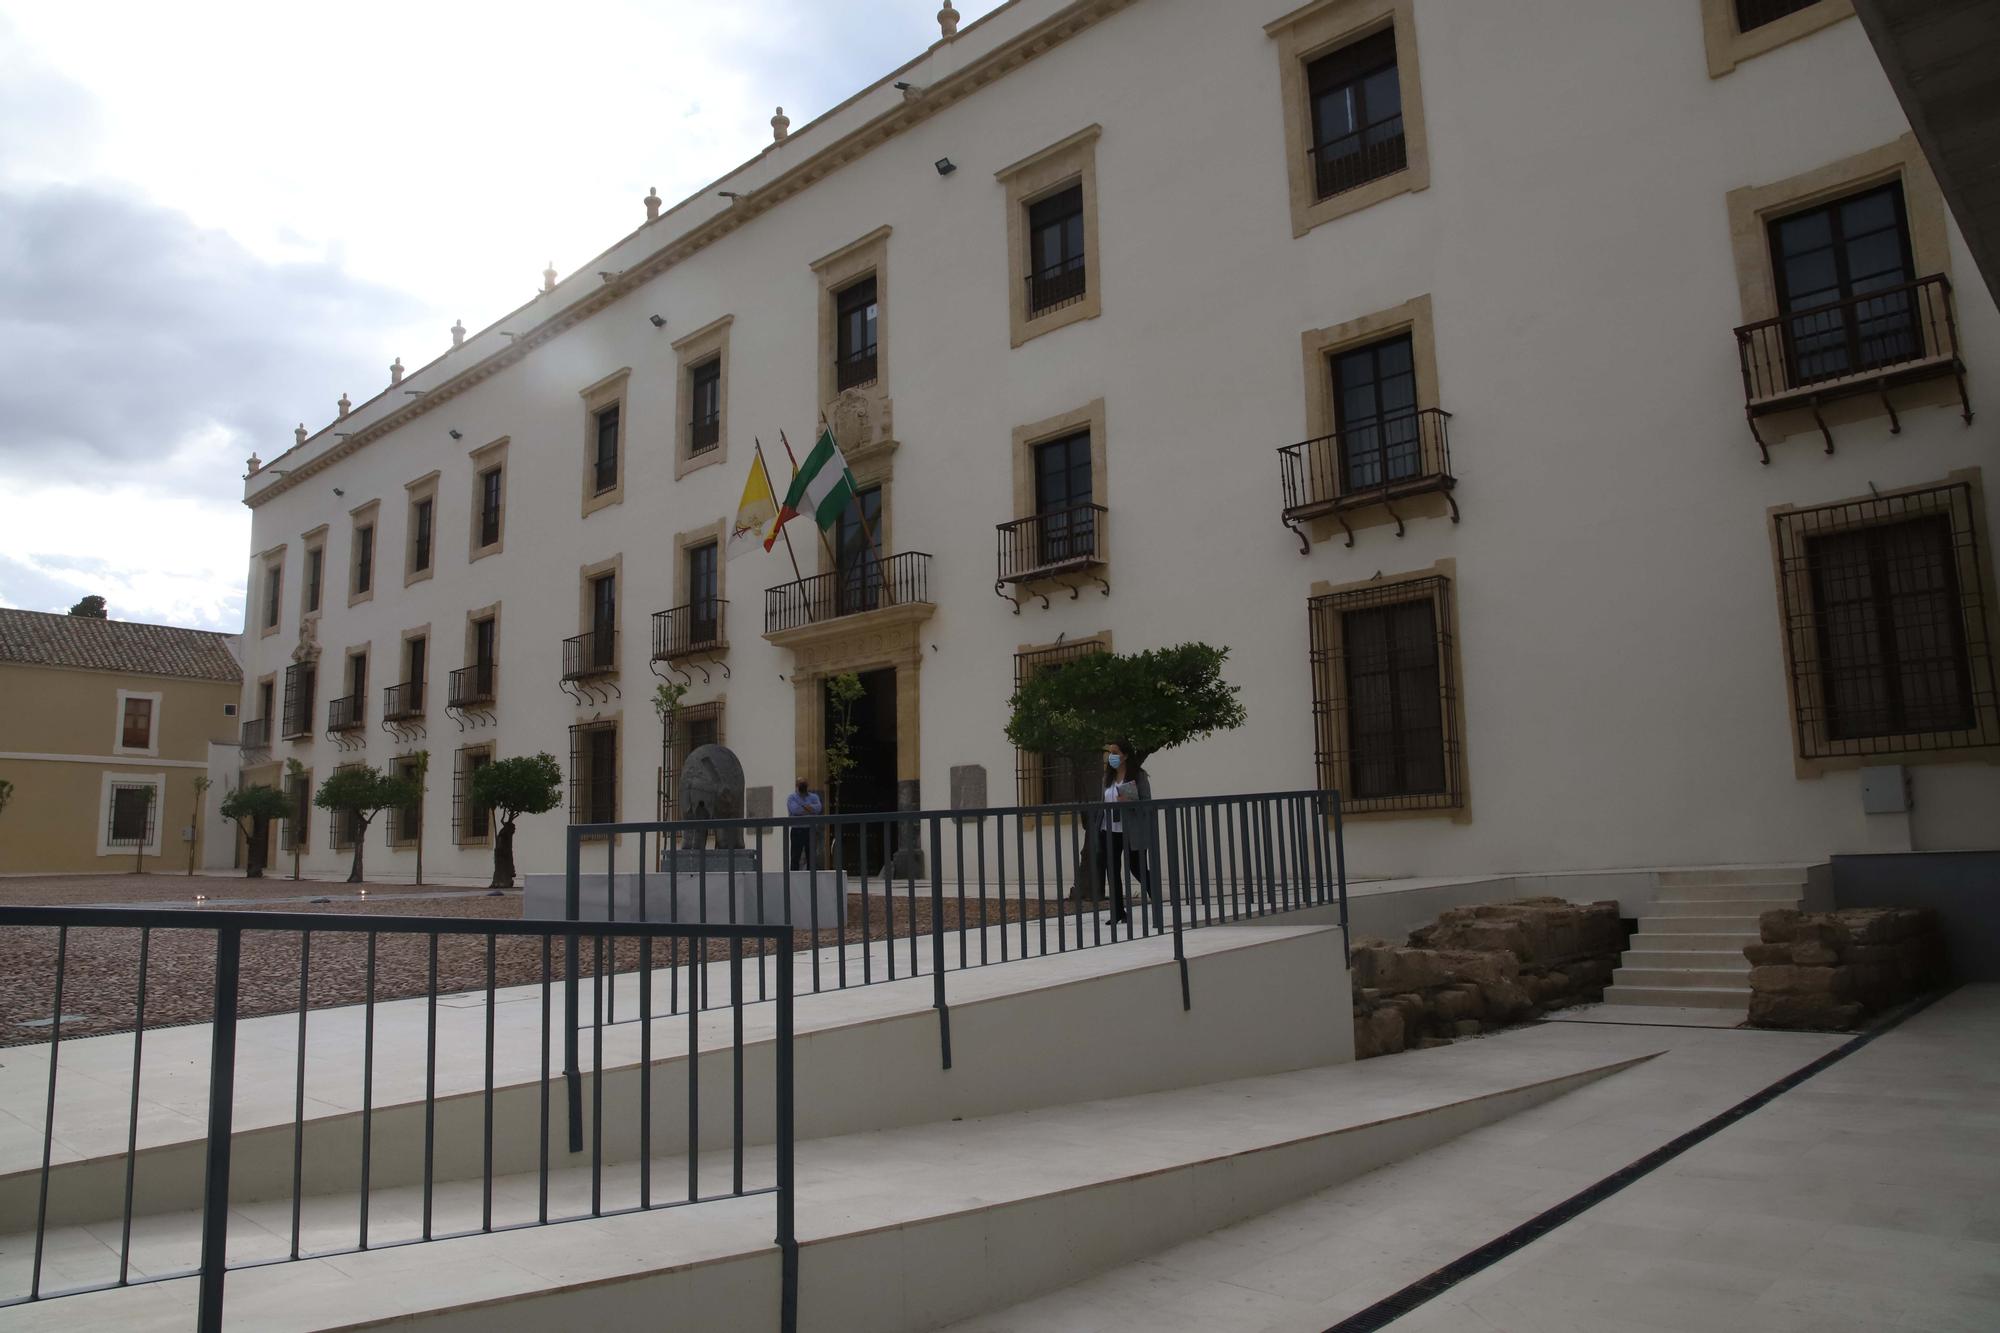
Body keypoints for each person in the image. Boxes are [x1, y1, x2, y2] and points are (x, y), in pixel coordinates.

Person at [1100, 741, 1158, 925]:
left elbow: (1147, 803)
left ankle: (1155, 897)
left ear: (1125, 755)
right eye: (1110, 753)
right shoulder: (1107, 778)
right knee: (1113, 870)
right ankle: (1118, 912)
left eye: (1115, 753)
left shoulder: (1138, 776)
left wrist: (1130, 801)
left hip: (1131, 829)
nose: (1111, 757)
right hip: (1109, 829)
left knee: (1137, 866)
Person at [786, 779, 822, 870]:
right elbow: (795, 810)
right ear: (797, 787)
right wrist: (810, 809)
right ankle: (794, 879)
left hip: (811, 830)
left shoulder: (814, 797)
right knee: (795, 857)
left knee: (811, 857)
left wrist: (803, 807)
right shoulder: (792, 797)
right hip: (797, 830)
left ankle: (811, 879)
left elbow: (818, 809)